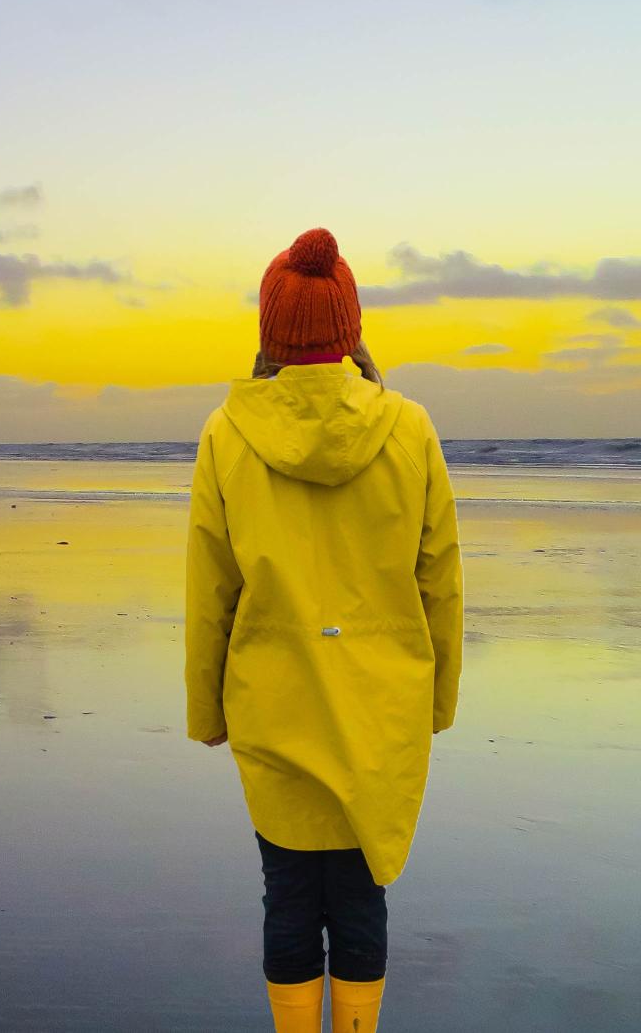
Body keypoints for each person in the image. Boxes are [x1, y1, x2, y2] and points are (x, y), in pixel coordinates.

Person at [185, 227, 464, 1033]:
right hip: (381, 708)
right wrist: (436, 703)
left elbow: (212, 589)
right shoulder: (409, 428)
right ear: (351, 331)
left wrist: (208, 712)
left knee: (291, 895)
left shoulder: (227, 432)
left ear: (271, 334)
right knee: (361, 896)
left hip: (274, 704)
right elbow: (440, 579)